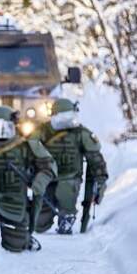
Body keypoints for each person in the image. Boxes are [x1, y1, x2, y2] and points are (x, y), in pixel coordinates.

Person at [0, 106, 57, 251]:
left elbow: (49, 166)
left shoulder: (27, 145)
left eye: (4, 127)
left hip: (15, 198)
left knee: (16, 246)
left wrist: (39, 182)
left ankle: (24, 238)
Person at [30, 98, 108, 234]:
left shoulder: (81, 133)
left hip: (70, 177)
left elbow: (95, 158)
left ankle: (67, 217)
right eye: (61, 118)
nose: (64, 122)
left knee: (65, 193)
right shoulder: (43, 130)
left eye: (68, 117)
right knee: (39, 224)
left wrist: (100, 180)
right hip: (47, 176)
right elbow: (28, 148)